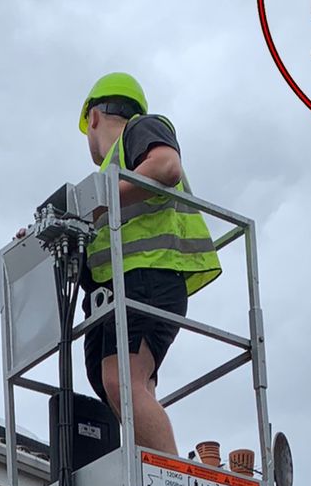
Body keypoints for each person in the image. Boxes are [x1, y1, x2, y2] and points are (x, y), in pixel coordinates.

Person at [77, 71, 221, 457]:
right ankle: (158, 467)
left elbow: (166, 166)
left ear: (93, 117)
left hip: (150, 275)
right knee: (129, 384)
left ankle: (170, 473)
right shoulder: (108, 174)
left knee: (123, 381)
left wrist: (102, 202)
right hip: (123, 288)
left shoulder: (140, 130)